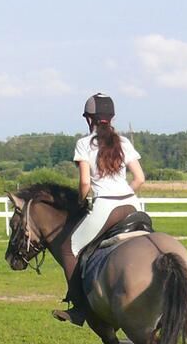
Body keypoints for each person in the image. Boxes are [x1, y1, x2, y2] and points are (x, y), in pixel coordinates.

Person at [54, 93, 147, 325]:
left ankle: (79, 307)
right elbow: (140, 178)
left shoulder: (84, 144)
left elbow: (85, 183)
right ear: (111, 117)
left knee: (68, 249)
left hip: (106, 207)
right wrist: (126, 192)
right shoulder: (123, 142)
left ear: (89, 119)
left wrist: (82, 201)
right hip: (133, 204)